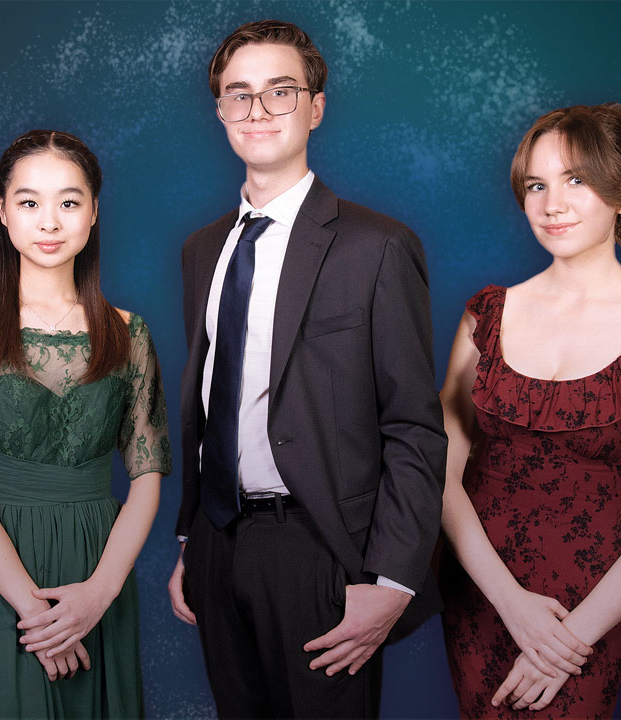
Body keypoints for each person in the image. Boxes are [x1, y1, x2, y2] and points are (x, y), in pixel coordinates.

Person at [165, 20, 447, 718]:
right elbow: (209, 405)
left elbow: (414, 426)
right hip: (217, 545)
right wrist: (189, 541)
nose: (257, 111)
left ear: (316, 107)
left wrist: (393, 579)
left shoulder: (376, 247)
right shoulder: (203, 251)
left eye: (279, 92)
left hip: (320, 548)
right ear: (221, 112)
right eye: (239, 95)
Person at [437, 103, 621, 716]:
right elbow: (440, 472)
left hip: (585, 609)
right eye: (537, 184)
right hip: (480, 591)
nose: (550, 204)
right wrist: (510, 604)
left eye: (576, 180)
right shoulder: (487, 314)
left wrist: (567, 640)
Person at [0, 129, 171, 718]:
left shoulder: (128, 333)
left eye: (69, 201)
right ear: (4, 214)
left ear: (92, 214)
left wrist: (99, 594)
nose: (50, 222)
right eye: (30, 202)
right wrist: (35, 613)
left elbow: (148, 477)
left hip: (97, 570)